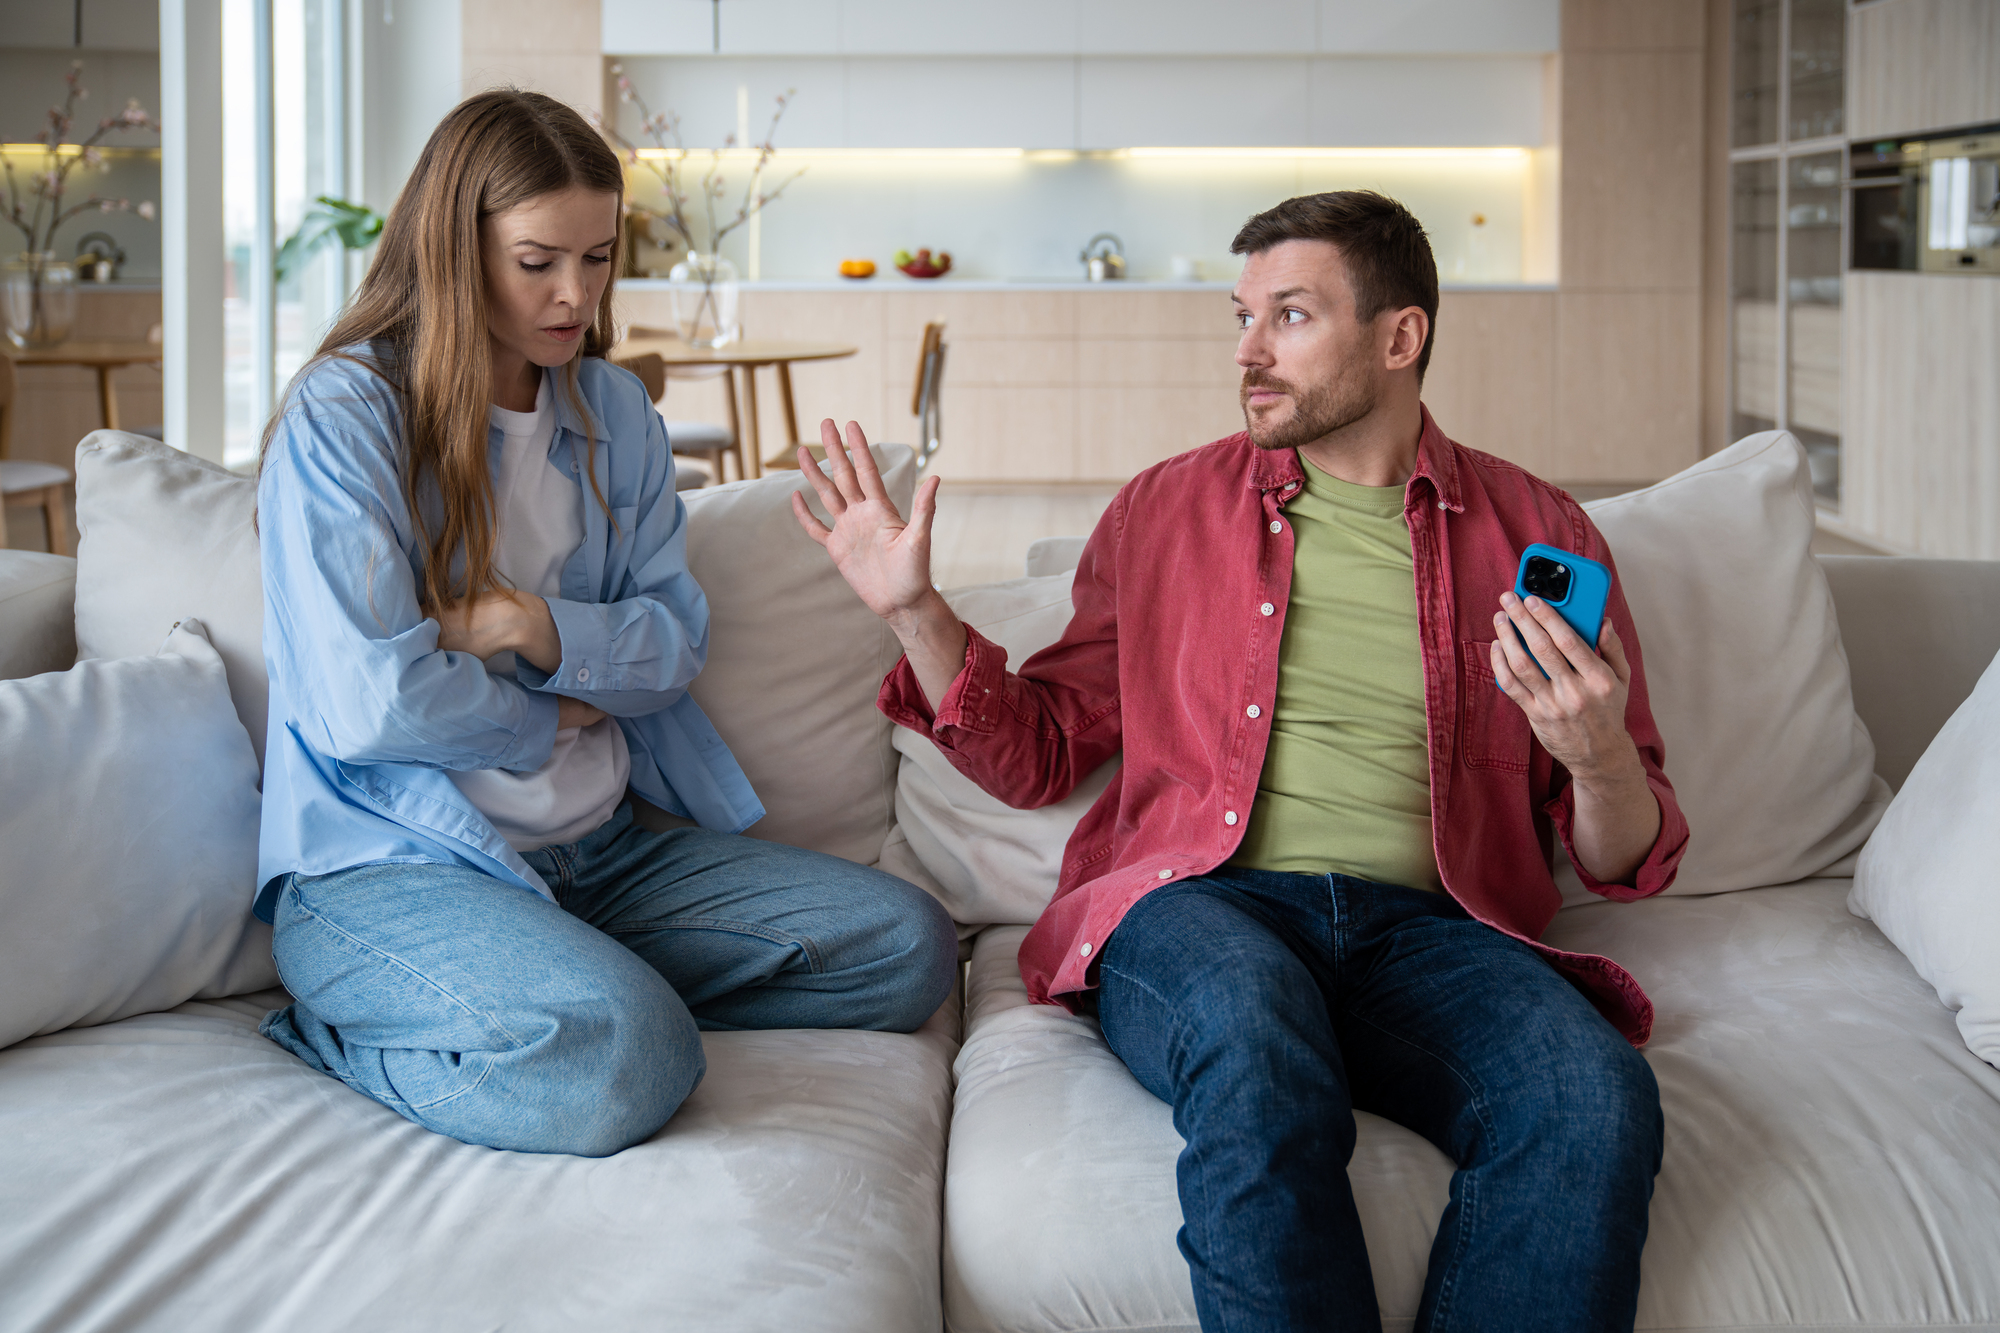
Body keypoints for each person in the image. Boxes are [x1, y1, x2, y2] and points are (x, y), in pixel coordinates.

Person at [794, 190, 1688, 1332]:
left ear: (1398, 336)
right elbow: (1044, 751)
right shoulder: (1166, 510)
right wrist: (917, 611)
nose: (1246, 353)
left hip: (1433, 931)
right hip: (1198, 906)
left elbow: (1624, 851)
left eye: (1290, 316)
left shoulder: (1537, 532)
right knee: (1253, 1034)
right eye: (1240, 316)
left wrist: (1596, 751)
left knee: (1589, 1095)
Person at [253, 90, 956, 1158]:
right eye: (537, 260)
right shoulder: (345, 415)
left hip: (600, 855)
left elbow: (672, 645)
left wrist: (534, 626)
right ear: (453, 250)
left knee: (906, 946)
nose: (575, 294)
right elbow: (373, 705)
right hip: (394, 865)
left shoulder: (612, 411)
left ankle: (556, 979)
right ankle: (356, 1026)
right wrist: (562, 707)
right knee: (628, 1055)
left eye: (598, 255)